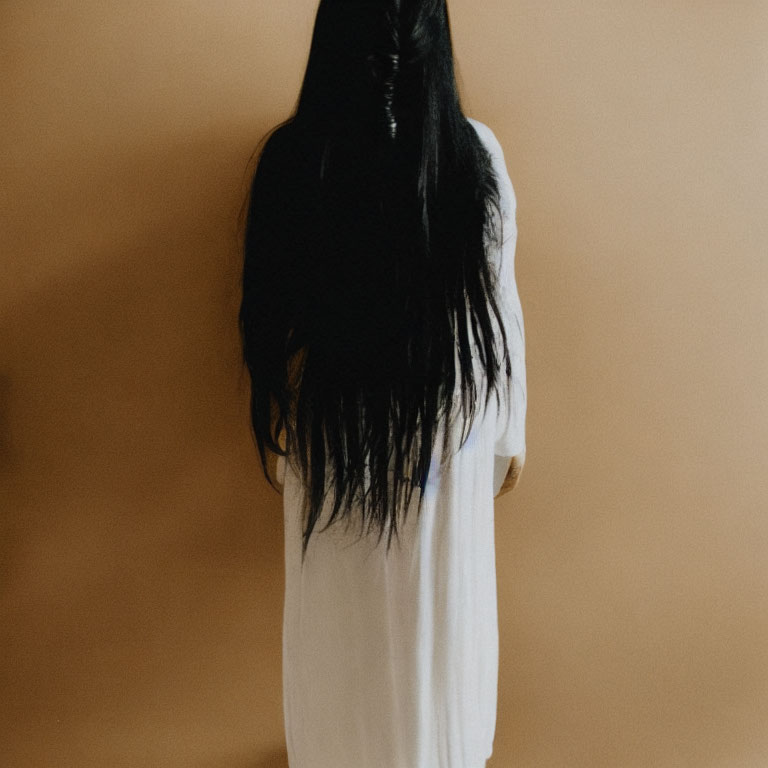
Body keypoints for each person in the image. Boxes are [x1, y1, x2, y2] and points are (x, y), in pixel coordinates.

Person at [238, 0, 526, 765]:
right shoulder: (472, 154)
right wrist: (506, 435)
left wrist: (281, 429)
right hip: (438, 433)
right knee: (436, 619)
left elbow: (269, 315)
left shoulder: (295, 157)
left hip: (332, 429)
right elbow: (500, 304)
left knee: (344, 617)